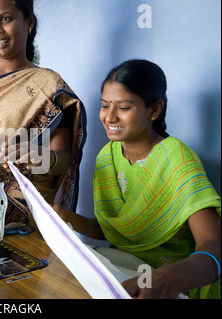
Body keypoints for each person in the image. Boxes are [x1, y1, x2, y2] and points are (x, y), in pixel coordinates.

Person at [54, 59, 221, 299]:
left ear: (154, 110)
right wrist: (69, 220)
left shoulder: (177, 159)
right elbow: (118, 230)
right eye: (105, 105)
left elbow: (214, 245)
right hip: (123, 274)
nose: (109, 117)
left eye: (122, 107)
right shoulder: (108, 157)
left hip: (169, 286)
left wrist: (172, 277)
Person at [0, 0, 86, 229]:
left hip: (28, 207)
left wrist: (41, 157)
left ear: (29, 21)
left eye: (5, 18)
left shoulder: (50, 86)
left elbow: (61, 159)